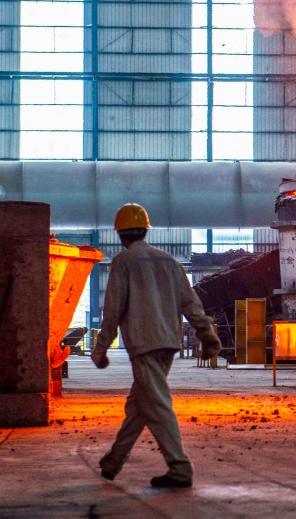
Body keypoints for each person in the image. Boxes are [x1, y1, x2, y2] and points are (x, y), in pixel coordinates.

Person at [91, 203, 221, 488]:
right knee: (140, 405)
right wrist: (207, 335)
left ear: (120, 235)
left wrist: (100, 349)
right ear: (145, 230)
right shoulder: (169, 262)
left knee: (158, 405)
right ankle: (113, 461)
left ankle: (180, 467)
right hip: (168, 344)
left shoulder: (123, 262)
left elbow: (112, 310)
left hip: (143, 343)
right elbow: (191, 303)